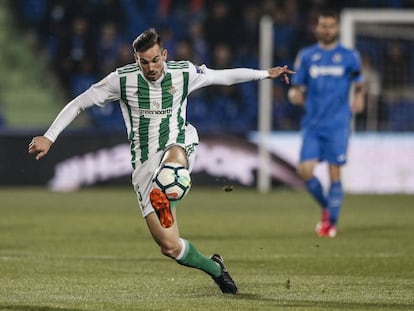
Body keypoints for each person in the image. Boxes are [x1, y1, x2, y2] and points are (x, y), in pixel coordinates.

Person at [28, 28, 294, 294]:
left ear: (164, 54)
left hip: (178, 143)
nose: (151, 67)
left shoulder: (183, 73)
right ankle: (215, 267)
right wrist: (49, 137)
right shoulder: (121, 80)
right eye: (144, 62)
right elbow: (79, 103)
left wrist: (265, 74)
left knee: (172, 167)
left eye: (155, 60)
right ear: (136, 59)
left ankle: (168, 183)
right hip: (145, 163)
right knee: (170, 246)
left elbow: (222, 77)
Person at [288, 11, 365, 238]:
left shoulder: (350, 56)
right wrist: (294, 94)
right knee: (304, 171)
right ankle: (326, 206)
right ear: (317, 28)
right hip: (312, 123)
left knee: (334, 172)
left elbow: (359, 82)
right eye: (323, 25)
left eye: (331, 26)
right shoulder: (307, 55)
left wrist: (360, 96)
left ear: (338, 29)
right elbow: (298, 87)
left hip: (338, 123)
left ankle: (330, 222)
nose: (327, 30)